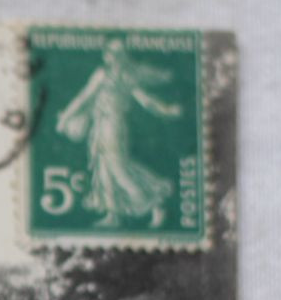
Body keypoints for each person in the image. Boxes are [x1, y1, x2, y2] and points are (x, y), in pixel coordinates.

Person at [55, 39, 184, 227]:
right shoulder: (110, 75)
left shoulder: (119, 76)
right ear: (107, 56)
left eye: (117, 54)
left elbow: (144, 100)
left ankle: (154, 205)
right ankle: (113, 215)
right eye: (111, 54)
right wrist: (66, 117)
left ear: (120, 57)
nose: (113, 58)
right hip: (101, 124)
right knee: (103, 168)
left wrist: (166, 110)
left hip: (112, 125)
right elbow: (85, 97)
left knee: (117, 167)